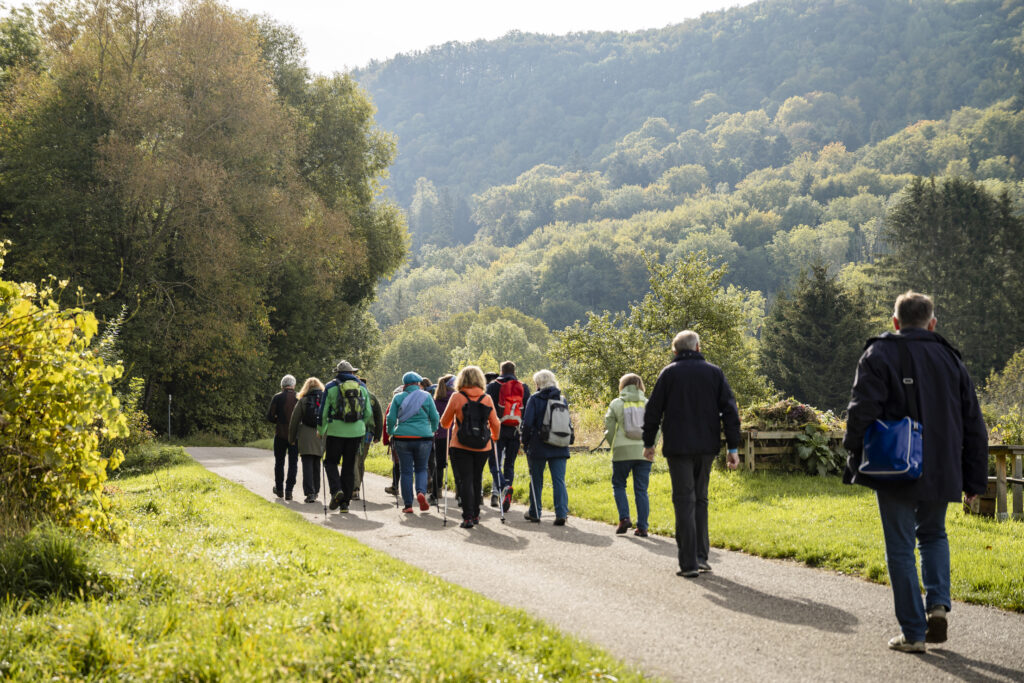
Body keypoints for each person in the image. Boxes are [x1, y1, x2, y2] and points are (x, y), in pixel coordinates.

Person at [842, 291, 987, 653]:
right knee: (935, 534)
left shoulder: (878, 353)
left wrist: (852, 455)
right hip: (943, 466)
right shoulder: (952, 359)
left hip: (895, 466)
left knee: (901, 547)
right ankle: (937, 604)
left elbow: (861, 411)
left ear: (895, 322)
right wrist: (974, 479)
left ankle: (913, 632)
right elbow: (974, 424)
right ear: (932, 322)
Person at [642, 330, 741, 578]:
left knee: (684, 500)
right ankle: (701, 556)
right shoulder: (714, 373)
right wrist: (732, 448)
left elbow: (653, 411)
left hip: (678, 447)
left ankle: (688, 564)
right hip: (706, 446)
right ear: (698, 347)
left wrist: (649, 442)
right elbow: (730, 411)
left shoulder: (669, 374)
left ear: (675, 351)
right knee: (701, 499)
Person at [440, 366, 501, 528]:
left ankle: (467, 517)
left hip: (460, 445)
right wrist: (494, 437)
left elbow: (444, 422)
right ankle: (476, 514)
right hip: (482, 445)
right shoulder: (486, 398)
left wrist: (451, 423)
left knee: (465, 479)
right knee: (476, 478)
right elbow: (495, 423)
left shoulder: (456, 397)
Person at [317, 360, 373, 513]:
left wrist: (321, 430)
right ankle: (345, 504)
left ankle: (336, 490)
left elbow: (322, 412)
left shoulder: (330, 387)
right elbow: (368, 413)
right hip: (356, 432)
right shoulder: (362, 387)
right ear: (352, 373)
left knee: (330, 462)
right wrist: (362, 426)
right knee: (349, 466)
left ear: (338, 373)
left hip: (335, 431)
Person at [521, 369, 572, 525]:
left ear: (538, 383)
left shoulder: (534, 399)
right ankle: (561, 513)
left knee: (536, 480)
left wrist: (525, 442)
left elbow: (528, 423)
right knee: (559, 480)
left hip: (539, 445)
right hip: (560, 444)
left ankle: (535, 512)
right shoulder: (562, 399)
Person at [604, 373, 653, 537]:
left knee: (618, 484)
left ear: (622, 386)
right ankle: (643, 527)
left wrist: (614, 445)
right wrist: (651, 445)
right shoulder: (648, 403)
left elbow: (609, 427)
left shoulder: (616, 403)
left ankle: (624, 518)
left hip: (622, 450)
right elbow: (657, 426)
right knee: (641, 490)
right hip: (644, 451)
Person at [387, 372, 441, 513]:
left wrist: (391, 431)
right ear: (418, 383)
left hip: (402, 438)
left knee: (405, 471)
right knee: (421, 468)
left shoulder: (398, 397)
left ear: (405, 384)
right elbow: (435, 417)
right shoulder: (427, 396)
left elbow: (391, 417)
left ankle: (408, 505)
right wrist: (433, 430)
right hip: (424, 438)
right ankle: (421, 492)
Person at [486, 361, 531, 511]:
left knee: (494, 462)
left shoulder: (493, 386)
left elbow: (486, 408)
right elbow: (527, 411)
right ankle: (508, 488)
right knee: (509, 464)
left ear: (501, 371)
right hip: (515, 431)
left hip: (496, 430)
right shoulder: (523, 387)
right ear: (514, 371)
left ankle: (503, 487)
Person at [288, 377, 325, 503]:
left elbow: (294, 421)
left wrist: (292, 438)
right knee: (316, 464)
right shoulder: (324, 399)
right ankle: (317, 490)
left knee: (307, 464)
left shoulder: (303, 400)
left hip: (305, 436)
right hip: (320, 435)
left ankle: (310, 493)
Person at [266, 374, 299, 500]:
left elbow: (270, 416)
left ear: (282, 385)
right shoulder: (299, 397)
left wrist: (278, 420)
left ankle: (279, 489)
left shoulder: (277, 397)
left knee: (279, 462)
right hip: (294, 436)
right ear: (293, 385)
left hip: (280, 434)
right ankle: (289, 490)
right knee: (293, 463)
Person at [352, 377, 383, 501]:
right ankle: (357, 487)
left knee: (354, 458)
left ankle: (354, 489)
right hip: (368, 432)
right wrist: (378, 435)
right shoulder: (372, 397)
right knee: (361, 460)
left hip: (353, 430)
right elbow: (379, 417)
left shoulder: (352, 395)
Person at [430, 374, 456, 503]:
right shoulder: (456, 397)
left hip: (440, 435)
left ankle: (436, 492)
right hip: (454, 436)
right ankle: (461, 494)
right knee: (457, 465)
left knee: (439, 465)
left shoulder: (435, 400)